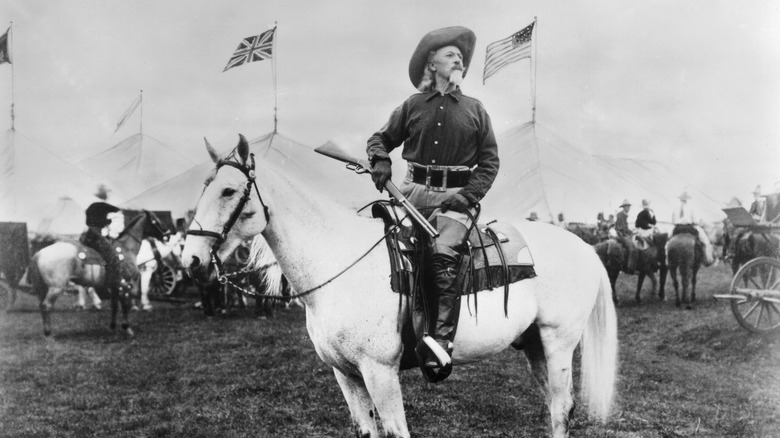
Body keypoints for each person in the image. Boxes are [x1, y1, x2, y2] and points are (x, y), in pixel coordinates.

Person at [367, 26, 499, 376]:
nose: (458, 59)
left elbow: (489, 163)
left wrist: (467, 196)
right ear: (432, 63)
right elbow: (379, 139)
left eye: (460, 56)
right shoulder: (411, 106)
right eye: (450, 54)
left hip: (457, 200)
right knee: (379, 245)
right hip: (411, 194)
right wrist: (380, 159)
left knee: (441, 255)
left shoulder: (475, 109)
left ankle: (439, 346)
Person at [79, 202, 125, 297]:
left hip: (89, 234)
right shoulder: (100, 211)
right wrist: (108, 221)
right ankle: (111, 280)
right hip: (95, 235)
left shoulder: (91, 209)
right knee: (111, 254)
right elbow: (102, 221)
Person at [671, 191, 715, 265]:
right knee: (704, 240)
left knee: (667, 241)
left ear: (680, 199)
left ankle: (666, 259)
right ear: (687, 199)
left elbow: (673, 221)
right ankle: (707, 258)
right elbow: (695, 220)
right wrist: (696, 223)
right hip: (689, 228)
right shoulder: (691, 208)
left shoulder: (675, 208)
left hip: (677, 229)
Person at [615, 199, 636, 273]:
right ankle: (629, 268)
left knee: (634, 246)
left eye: (629, 207)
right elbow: (620, 228)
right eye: (627, 207)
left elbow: (625, 228)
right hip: (620, 235)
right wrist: (627, 233)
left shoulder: (624, 215)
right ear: (624, 207)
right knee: (631, 248)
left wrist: (632, 232)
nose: (629, 208)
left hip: (624, 234)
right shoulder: (620, 215)